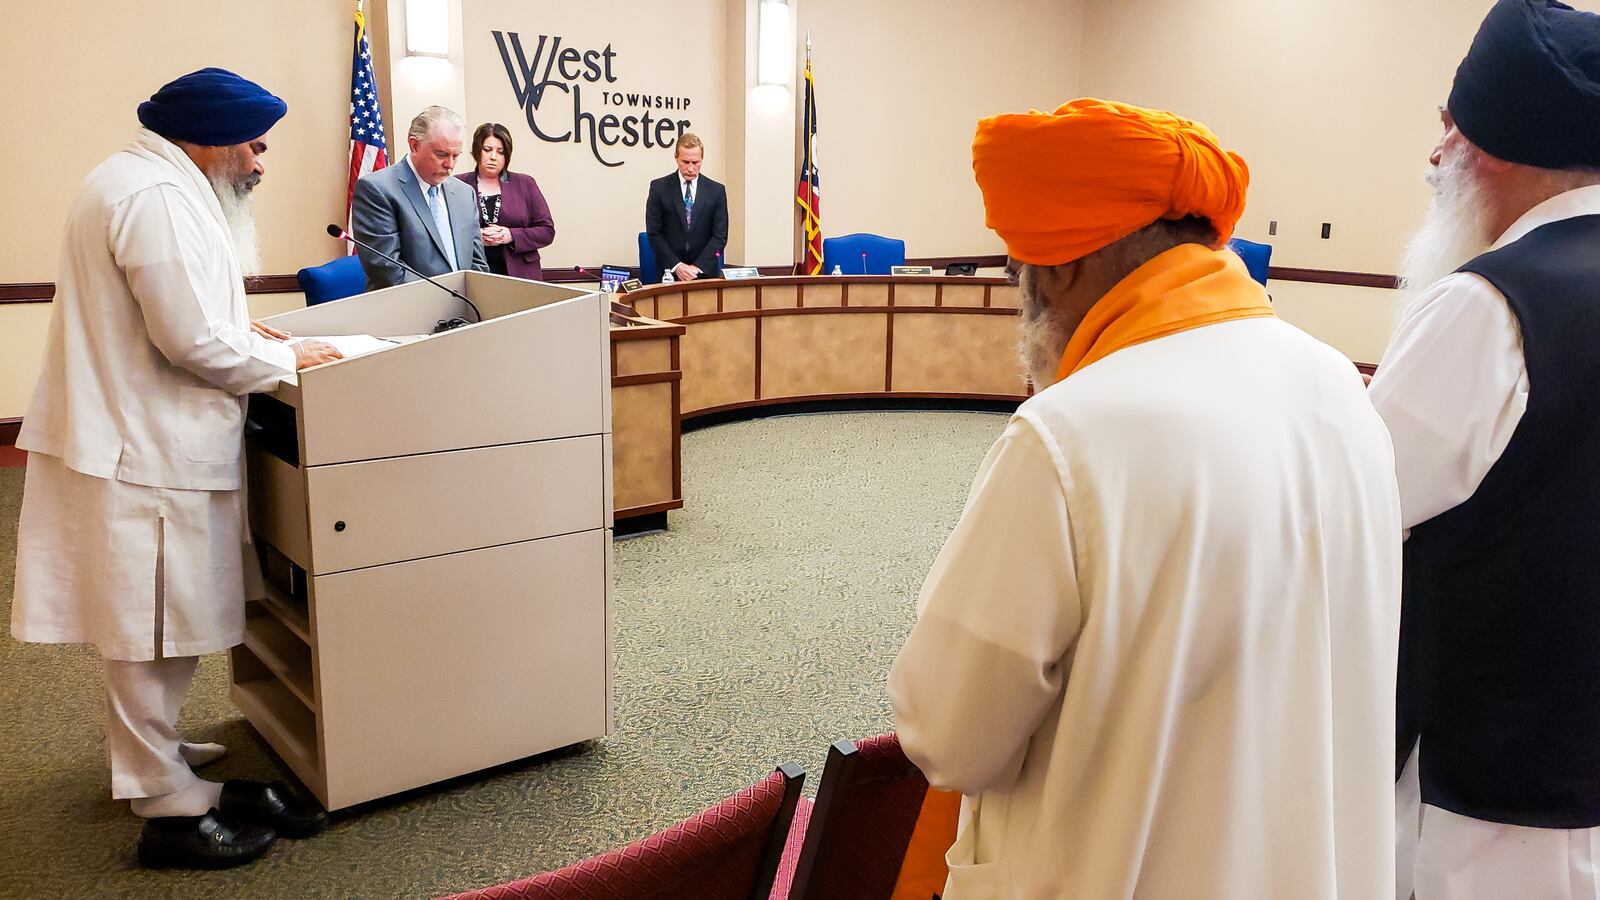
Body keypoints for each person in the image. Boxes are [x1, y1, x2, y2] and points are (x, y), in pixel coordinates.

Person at [887, 99, 1402, 899]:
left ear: (1056, 267)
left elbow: (947, 735)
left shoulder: (1067, 436)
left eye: (1019, 266)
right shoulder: (1340, 385)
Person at [10, 68, 338, 869]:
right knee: (147, 621)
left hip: (146, 439)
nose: (261, 163)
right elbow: (187, 340)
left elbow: (191, 314)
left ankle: (157, 754)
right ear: (214, 137)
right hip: (144, 449)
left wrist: (259, 338)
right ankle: (165, 805)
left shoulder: (149, 180)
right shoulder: (153, 196)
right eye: (255, 145)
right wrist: (292, 363)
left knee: (161, 617)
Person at [1367, 2, 1600, 897]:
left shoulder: (1490, 305)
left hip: (1485, 804)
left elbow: (1359, 513)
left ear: (1496, 144)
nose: (1436, 157)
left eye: (1448, 126)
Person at [351, 105, 488, 291]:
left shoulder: (465, 193)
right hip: (408, 310)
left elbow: (478, 264)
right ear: (414, 145)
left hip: (464, 313)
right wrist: (450, 300)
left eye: (456, 156)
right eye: (441, 154)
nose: (450, 165)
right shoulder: (377, 189)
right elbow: (388, 270)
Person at [456, 123, 556, 280]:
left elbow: (547, 231)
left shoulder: (525, 183)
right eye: (487, 150)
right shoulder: (457, 184)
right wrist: (474, 238)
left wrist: (510, 235)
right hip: (473, 272)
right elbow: (444, 231)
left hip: (521, 274)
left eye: (501, 152)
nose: (493, 157)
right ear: (477, 151)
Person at [644, 133, 728, 282]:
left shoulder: (716, 190)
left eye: (695, 162)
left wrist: (696, 268)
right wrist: (677, 266)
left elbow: (720, 236)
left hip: (705, 274)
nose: (690, 168)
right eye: (685, 162)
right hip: (669, 274)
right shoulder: (659, 188)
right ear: (676, 157)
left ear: (702, 159)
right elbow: (654, 233)